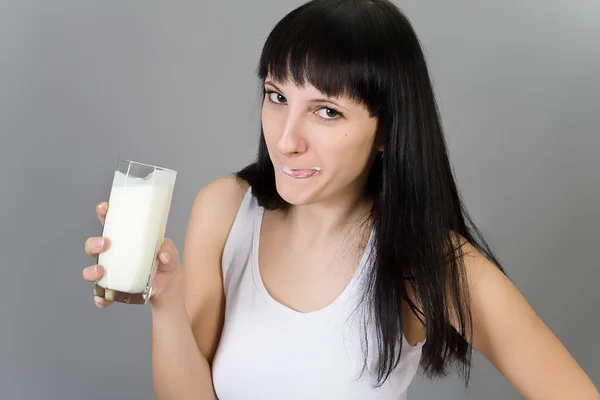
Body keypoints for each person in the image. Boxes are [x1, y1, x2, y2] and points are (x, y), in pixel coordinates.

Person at [82, 0, 599, 399]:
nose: (286, 139)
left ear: (385, 131)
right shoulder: (224, 209)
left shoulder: (429, 262)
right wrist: (165, 303)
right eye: (277, 96)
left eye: (326, 111)